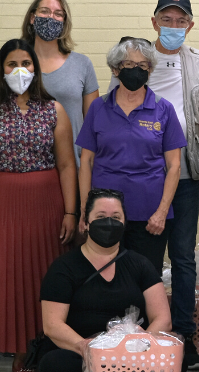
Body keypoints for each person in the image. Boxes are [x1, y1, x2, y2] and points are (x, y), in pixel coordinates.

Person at [0, 39, 78, 372]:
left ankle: (24, 355)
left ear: (36, 69)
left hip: (44, 205)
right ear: (0, 69)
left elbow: (67, 164)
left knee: (34, 277)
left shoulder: (52, 109)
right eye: (12, 64)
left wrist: (71, 211)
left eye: (26, 63)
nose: (20, 70)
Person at [37, 188, 190, 372]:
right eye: (100, 217)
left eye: (116, 218)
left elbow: (162, 319)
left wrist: (140, 344)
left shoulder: (140, 264)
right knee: (53, 366)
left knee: (179, 355)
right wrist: (86, 348)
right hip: (81, 354)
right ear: (86, 223)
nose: (108, 223)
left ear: (125, 223)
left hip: (133, 354)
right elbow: (52, 325)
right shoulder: (63, 268)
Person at [128, 0, 199, 370]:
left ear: (190, 26)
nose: (174, 26)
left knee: (182, 258)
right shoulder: (136, 60)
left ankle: (183, 335)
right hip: (144, 174)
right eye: (167, 19)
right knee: (145, 257)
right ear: (154, 22)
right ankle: (144, 334)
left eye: (180, 21)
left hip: (186, 173)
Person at [78, 37, 185, 274]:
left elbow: (174, 166)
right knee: (103, 276)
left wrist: (162, 212)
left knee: (145, 279)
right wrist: (86, 211)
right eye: (129, 65)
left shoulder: (164, 108)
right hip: (104, 213)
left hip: (150, 216)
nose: (136, 70)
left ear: (150, 70)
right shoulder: (98, 107)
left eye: (143, 66)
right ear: (115, 69)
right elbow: (85, 162)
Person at [20, 0, 99, 161]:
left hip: (73, 162)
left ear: (64, 22)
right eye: (44, 11)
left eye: (58, 14)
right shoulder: (17, 64)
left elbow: (93, 124)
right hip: (29, 165)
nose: (51, 18)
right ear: (32, 18)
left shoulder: (82, 64)